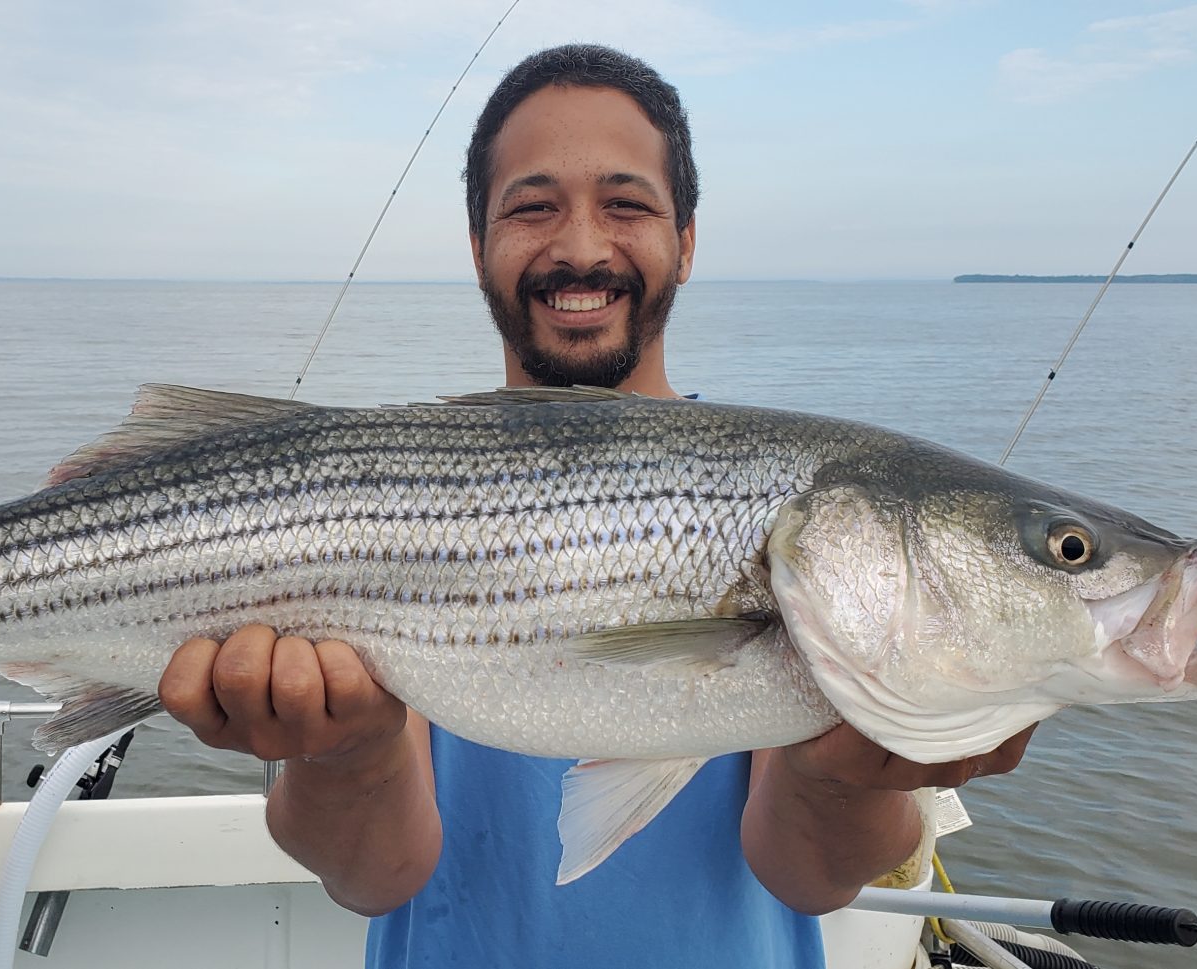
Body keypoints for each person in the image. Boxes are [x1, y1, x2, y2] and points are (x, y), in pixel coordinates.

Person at [157, 44, 1035, 966]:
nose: (581, 246)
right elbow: (376, 877)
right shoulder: (399, 492)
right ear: (477, 246)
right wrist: (345, 751)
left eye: (626, 204)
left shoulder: (768, 495)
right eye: (533, 207)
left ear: (686, 241)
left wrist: (843, 777)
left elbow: (806, 877)